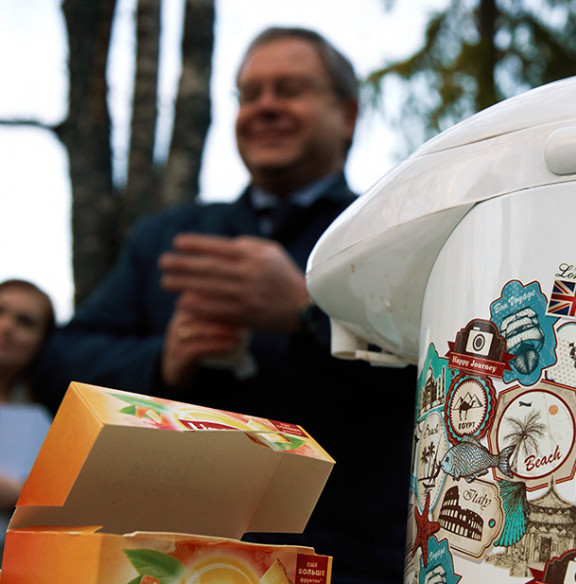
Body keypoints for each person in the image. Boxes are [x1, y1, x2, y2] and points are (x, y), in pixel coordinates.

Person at [34, 27, 415, 584]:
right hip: (160, 562)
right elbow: (59, 363)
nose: (265, 107)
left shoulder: (394, 236)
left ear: (348, 115)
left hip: (340, 564)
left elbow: (436, 383)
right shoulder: (167, 237)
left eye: (289, 89)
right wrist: (162, 361)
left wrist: (308, 316)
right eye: (249, 94)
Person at [0, 279, 55, 560]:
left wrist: (19, 496)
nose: (6, 326)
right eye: (0, 311)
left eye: (25, 322)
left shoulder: (44, 422)